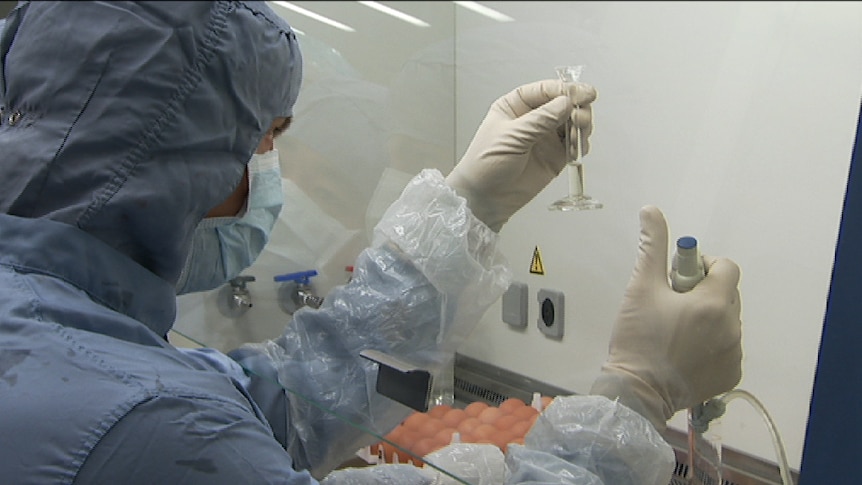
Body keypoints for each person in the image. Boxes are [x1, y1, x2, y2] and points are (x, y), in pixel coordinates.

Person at [0, 2, 742, 484]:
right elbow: (207, 433)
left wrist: (470, 209)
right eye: (265, 142)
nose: (270, 170)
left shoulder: (50, 325)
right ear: (191, 167)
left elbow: (292, 399)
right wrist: (633, 400)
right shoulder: (144, 422)